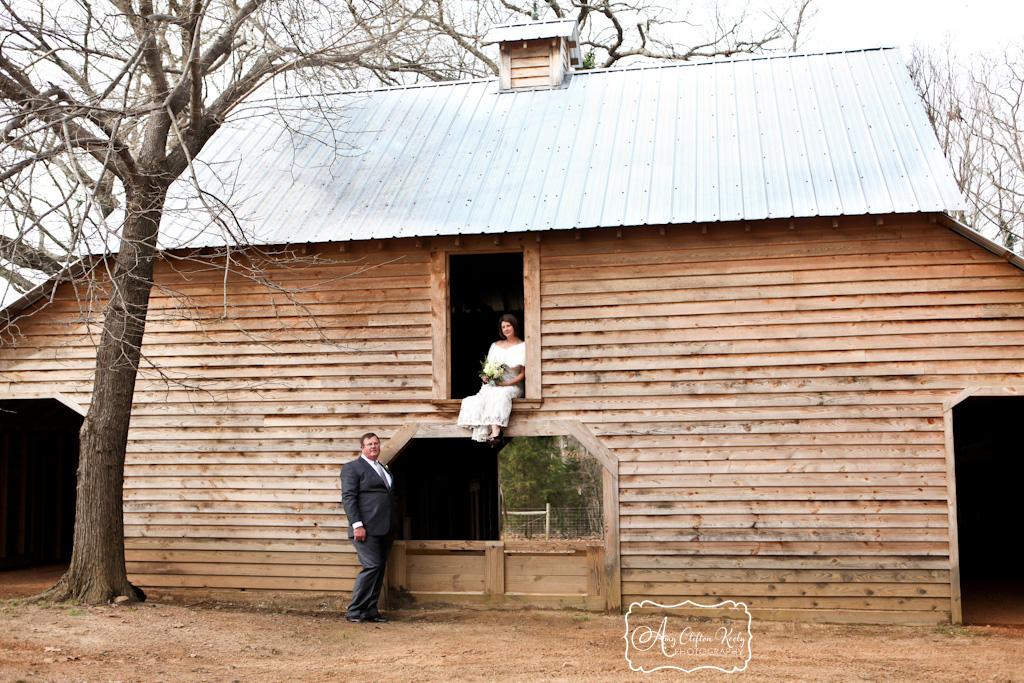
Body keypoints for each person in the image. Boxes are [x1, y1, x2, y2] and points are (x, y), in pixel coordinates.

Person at [340, 432, 397, 623]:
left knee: (379, 568)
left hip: (386, 528)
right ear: (362, 448)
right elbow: (349, 497)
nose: (374, 446)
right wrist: (357, 525)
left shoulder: (383, 468)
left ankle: (371, 611)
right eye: (369, 444)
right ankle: (354, 611)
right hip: (365, 528)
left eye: (377, 443)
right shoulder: (352, 468)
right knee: (372, 565)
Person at [457, 314, 526, 442]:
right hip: (496, 383)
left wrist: (508, 383)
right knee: (480, 398)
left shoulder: (523, 346)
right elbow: (488, 368)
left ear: (514, 326)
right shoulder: (495, 345)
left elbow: (523, 373)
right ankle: (494, 432)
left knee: (501, 394)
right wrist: (487, 376)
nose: (506, 329)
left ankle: (496, 431)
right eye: (503, 327)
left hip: (513, 384)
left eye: (508, 326)